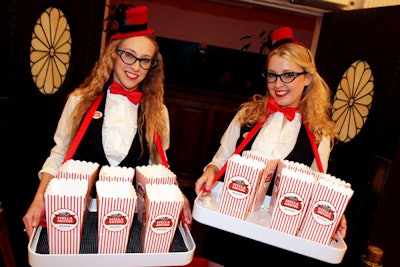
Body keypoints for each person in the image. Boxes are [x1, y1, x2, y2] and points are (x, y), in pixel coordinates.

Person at [22, 4, 192, 238]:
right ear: (113, 53)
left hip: (128, 218)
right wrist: (40, 197)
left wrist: (176, 195)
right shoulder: (79, 101)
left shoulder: (158, 112)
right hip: (76, 214)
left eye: (145, 60)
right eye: (129, 55)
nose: (135, 67)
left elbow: (158, 169)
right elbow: (59, 154)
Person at [194, 26, 347, 266]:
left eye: (288, 75)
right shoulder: (247, 115)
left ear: (307, 78)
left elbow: (317, 187)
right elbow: (220, 159)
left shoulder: (319, 133)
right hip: (230, 224)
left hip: (277, 234)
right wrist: (210, 172)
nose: (278, 84)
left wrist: (334, 214)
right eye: (272, 75)